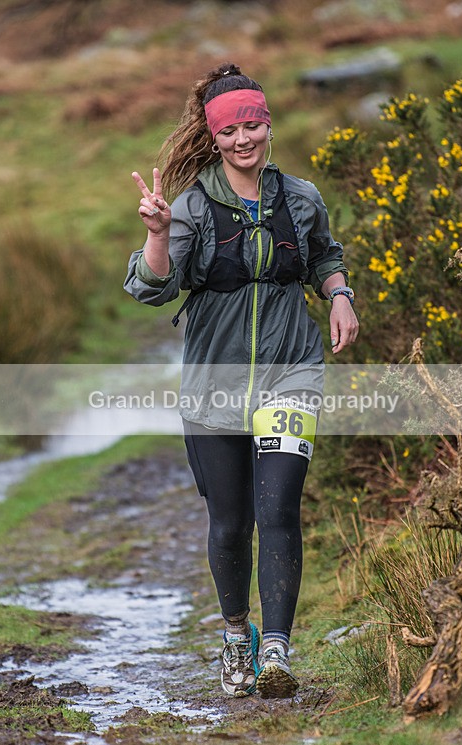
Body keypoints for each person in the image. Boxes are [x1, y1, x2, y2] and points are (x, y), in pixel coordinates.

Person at [124, 63, 358, 699]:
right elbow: (151, 287)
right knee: (230, 524)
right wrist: (156, 235)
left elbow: (325, 257)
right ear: (215, 137)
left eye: (252, 126)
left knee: (278, 509)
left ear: (268, 125)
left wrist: (340, 295)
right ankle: (236, 636)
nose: (243, 139)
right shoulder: (193, 207)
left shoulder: (301, 198)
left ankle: (276, 651)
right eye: (229, 131)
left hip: (291, 374)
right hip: (214, 387)